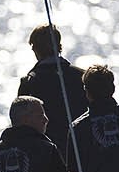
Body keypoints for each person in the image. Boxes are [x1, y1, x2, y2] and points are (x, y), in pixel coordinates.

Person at [16, 24, 88, 156]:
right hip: (82, 149)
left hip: (46, 154)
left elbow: (20, 126)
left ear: (36, 49)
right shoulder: (82, 77)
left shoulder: (30, 83)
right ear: (59, 46)